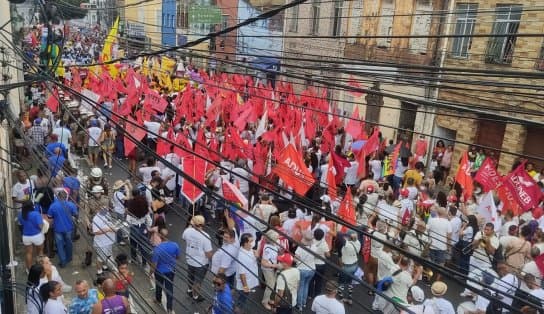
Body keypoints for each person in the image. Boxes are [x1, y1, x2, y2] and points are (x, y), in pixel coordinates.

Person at [182, 215, 213, 302]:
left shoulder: (187, 231)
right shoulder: (205, 236)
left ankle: (189, 290)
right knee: (198, 281)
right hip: (201, 263)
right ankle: (195, 296)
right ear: (203, 224)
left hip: (189, 259)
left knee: (190, 277)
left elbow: (184, 239)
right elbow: (208, 253)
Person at [150, 228, 180, 314]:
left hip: (159, 271)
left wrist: (151, 272)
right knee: (169, 288)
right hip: (171, 271)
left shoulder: (158, 249)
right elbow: (177, 257)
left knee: (159, 285)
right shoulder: (175, 245)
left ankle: (158, 299)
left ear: (160, 236)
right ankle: (169, 309)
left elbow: (154, 264)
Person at [46, 190, 78, 267]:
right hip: (69, 228)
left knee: (59, 245)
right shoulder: (71, 205)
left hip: (58, 229)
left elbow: (49, 217)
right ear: (66, 197)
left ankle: (63, 261)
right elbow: (76, 214)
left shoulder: (53, 206)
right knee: (69, 244)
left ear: (58, 197)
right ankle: (69, 258)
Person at [235, 233, 259, 313]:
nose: (253, 242)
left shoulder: (251, 249)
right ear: (245, 243)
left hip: (250, 281)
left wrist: (257, 256)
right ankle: (237, 310)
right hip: (245, 284)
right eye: (251, 241)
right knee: (242, 299)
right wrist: (245, 287)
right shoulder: (241, 256)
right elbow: (242, 274)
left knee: (243, 297)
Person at [18, 201, 44, 270]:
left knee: (29, 253)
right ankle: (40, 269)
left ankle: (29, 270)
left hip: (26, 236)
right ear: (32, 206)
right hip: (37, 235)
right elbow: (41, 226)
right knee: (40, 252)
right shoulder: (36, 214)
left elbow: (21, 225)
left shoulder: (21, 215)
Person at [92, 201, 116, 275]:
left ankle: (105, 267)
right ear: (99, 209)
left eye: (106, 207)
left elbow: (110, 223)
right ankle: (99, 271)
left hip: (109, 241)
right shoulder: (96, 219)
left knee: (108, 255)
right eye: (104, 208)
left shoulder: (107, 214)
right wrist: (108, 230)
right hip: (101, 243)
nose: (106, 209)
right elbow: (95, 232)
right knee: (100, 259)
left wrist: (114, 227)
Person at [338, 230, 361, 305]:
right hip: (354, 266)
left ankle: (341, 299)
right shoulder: (358, 243)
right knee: (350, 283)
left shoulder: (347, 244)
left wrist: (346, 234)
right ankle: (349, 298)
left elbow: (339, 233)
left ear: (349, 237)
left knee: (341, 283)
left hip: (346, 267)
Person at [295, 230, 315, 311]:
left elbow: (296, 259)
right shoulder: (314, 247)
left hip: (302, 269)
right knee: (306, 285)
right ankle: (304, 302)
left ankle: (299, 305)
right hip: (312, 269)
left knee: (301, 287)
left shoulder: (300, 248)